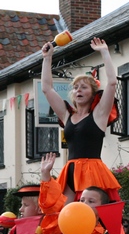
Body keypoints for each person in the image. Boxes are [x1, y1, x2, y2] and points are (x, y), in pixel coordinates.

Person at [41, 38, 121, 204]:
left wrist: (104, 52)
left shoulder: (99, 114)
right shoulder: (66, 115)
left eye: (84, 87)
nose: (78, 90)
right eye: (76, 87)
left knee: (92, 214)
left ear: (92, 93)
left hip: (91, 170)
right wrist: (47, 58)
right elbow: (47, 89)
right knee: (63, 213)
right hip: (70, 169)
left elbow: (112, 83)